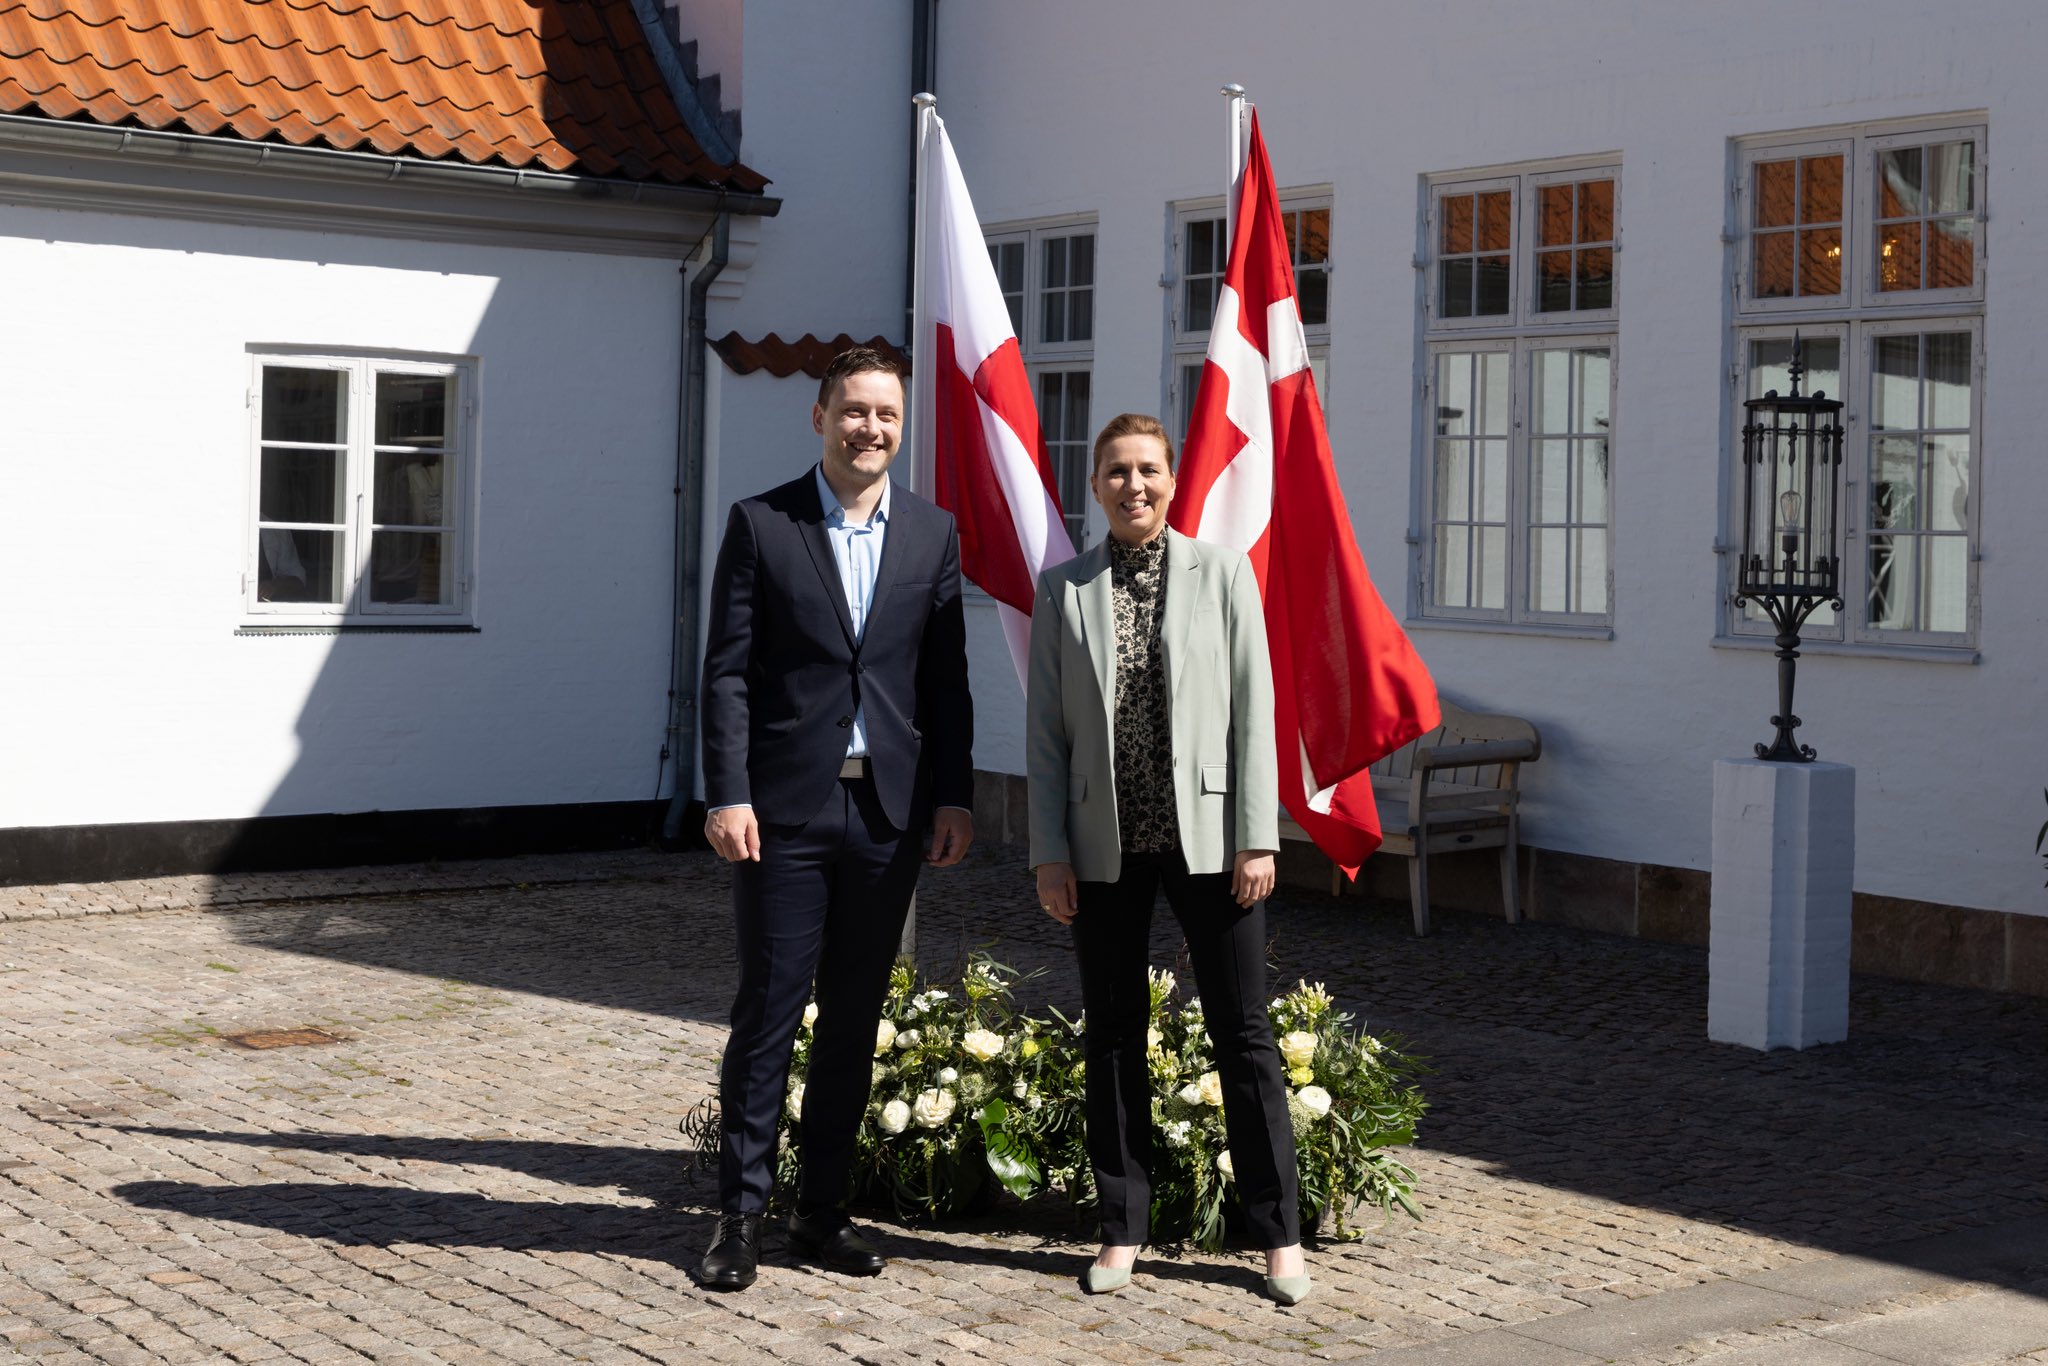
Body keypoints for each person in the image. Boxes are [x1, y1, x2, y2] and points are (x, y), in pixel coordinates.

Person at [697, 346, 975, 1291]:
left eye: (887, 415)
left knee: (855, 1022)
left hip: (888, 816)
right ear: (820, 417)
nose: (871, 429)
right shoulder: (762, 524)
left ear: (903, 426)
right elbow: (727, 671)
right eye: (854, 411)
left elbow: (945, 682)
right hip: (783, 814)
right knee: (769, 1012)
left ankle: (822, 1214)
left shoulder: (933, 534)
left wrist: (955, 795)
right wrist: (726, 791)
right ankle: (738, 1217)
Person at [1025, 413, 1309, 1306]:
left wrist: (1259, 835)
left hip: (1210, 838)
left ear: (1173, 480)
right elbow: (1046, 740)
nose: (1133, 486)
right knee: (1111, 1036)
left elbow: (1254, 710)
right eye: (1116, 472)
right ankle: (1121, 1229)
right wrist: (1048, 855)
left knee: (1244, 1033)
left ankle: (1278, 1235)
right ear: (1096, 484)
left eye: (1148, 470)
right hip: (1104, 844)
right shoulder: (1064, 591)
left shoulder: (1222, 576)